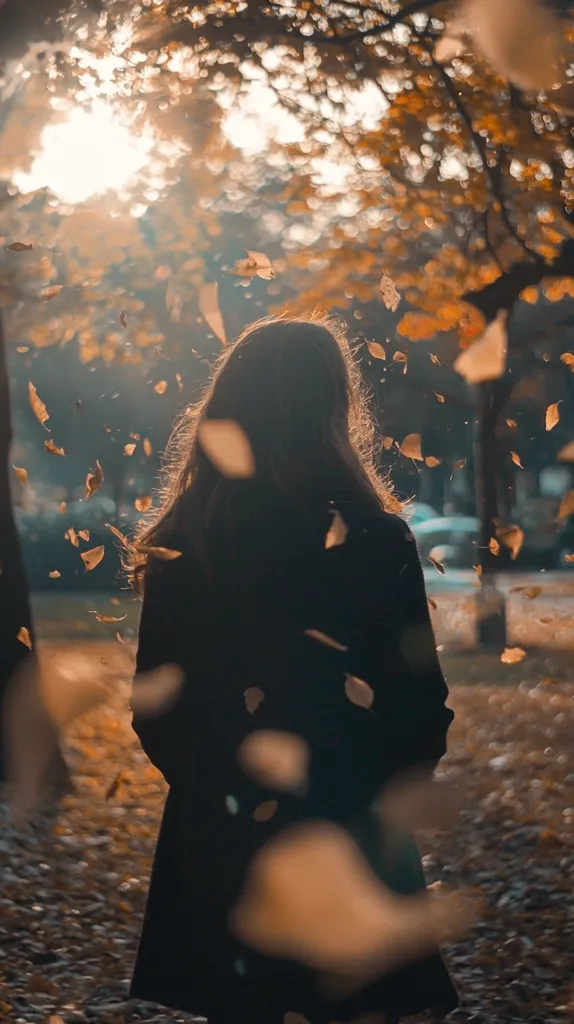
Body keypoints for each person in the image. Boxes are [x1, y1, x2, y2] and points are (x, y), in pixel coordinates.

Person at [129, 316, 458, 1024]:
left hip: (223, 813)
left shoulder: (188, 538)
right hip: (349, 806)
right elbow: (417, 703)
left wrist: (215, 781)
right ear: (332, 409)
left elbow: (156, 704)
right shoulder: (377, 538)